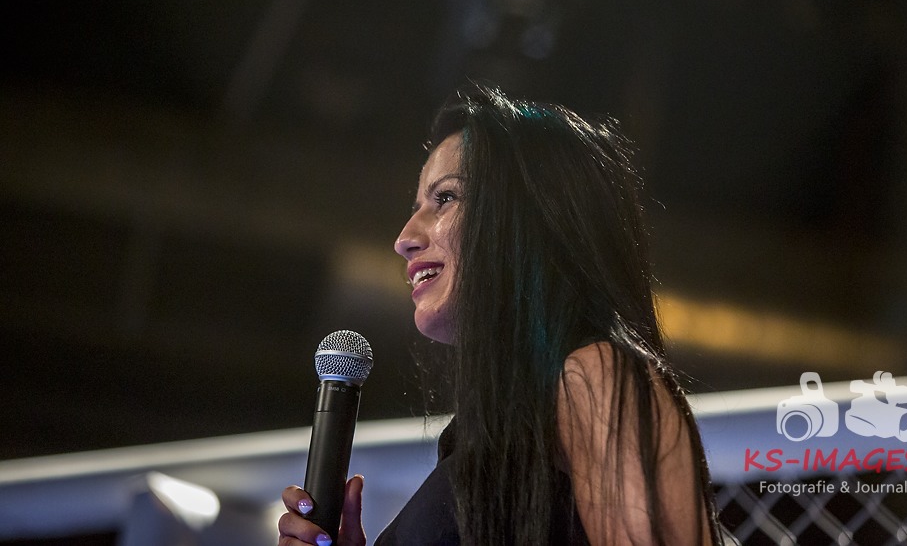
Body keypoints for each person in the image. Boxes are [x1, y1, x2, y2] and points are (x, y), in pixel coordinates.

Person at [279, 84, 724, 545]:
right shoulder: (492, 436)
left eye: (445, 198)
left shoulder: (596, 376)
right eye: (417, 207)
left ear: (534, 217)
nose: (404, 238)